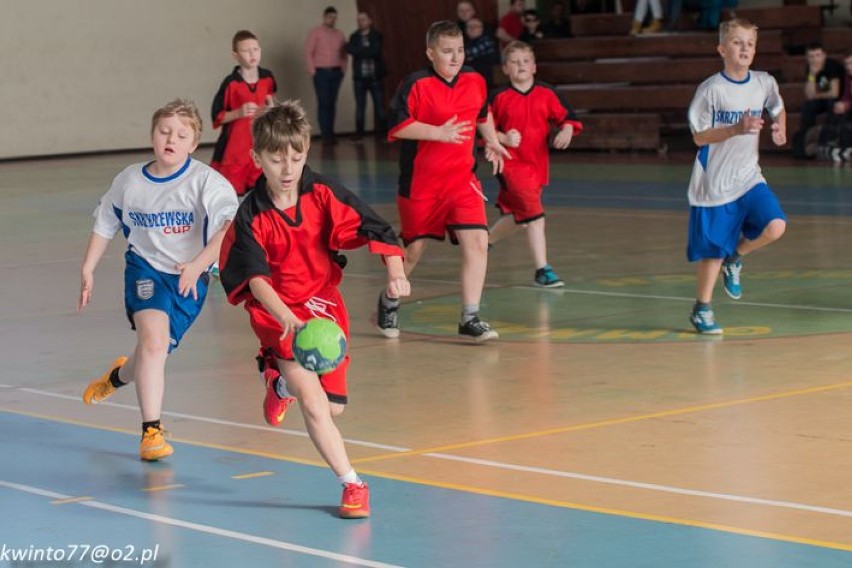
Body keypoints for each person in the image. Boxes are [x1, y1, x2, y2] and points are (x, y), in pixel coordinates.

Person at [219, 101, 410, 519]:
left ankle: (279, 386)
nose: (288, 168)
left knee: (334, 406)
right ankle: (353, 484)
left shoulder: (322, 192)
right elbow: (254, 278)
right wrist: (286, 317)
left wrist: (395, 272)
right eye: (276, 158)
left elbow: (375, 226)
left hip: (324, 308)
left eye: (296, 156)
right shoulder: (251, 214)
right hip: (277, 314)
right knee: (314, 401)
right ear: (257, 158)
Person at [78, 99, 238, 460]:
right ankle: (151, 432)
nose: (171, 139)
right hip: (145, 269)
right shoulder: (130, 180)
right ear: (152, 135)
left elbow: (229, 228)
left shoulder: (206, 182)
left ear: (194, 144)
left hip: (189, 276)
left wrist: (199, 264)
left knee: (153, 351)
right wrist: (88, 268)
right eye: (164, 131)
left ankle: (118, 376)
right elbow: (106, 222)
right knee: (153, 343)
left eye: (182, 135)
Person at [376, 20, 509, 342]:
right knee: (413, 252)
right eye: (447, 51)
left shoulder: (475, 80)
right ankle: (389, 300)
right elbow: (397, 126)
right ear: (430, 52)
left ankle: (470, 316)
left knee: (478, 242)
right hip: (421, 185)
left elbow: (482, 114)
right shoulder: (416, 84)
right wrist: (438, 133)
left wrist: (491, 140)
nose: (455, 57)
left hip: (462, 181)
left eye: (460, 50)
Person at [685, 18, 787, 334]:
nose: (745, 48)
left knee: (776, 226)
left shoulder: (764, 83)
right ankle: (702, 309)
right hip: (713, 183)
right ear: (722, 49)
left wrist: (781, 124)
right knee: (712, 251)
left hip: (748, 176)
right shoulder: (710, 90)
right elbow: (699, 137)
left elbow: (777, 106)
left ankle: (737, 256)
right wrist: (735, 129)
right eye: (737, 42)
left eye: (750, 44)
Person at [488, 41, 583, 288]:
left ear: (534, 67)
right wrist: (503, 138)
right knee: (535, 216)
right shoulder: (498, 97)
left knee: (522, 217)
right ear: (505, 69)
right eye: (515, 61)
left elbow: (568, 118)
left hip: (537, 165)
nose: (521, 65)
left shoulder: (547, 93)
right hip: (510, 165)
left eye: (526, 61)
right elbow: (484, 129)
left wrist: (568, 130)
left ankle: (483, 241)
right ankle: (542, 270)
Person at [210, 30, 277, 197]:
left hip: (261, 143)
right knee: (231, 194)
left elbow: (270, 98)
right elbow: (217, 115)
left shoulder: (267, 77)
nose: (252, 54)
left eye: (255, 49)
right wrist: (238, 113)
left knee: (262, 192)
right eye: (246, 51)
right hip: (235, 150)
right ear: (235, 55)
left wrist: (270, 108)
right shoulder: (230, 83)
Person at [792, 43, 845, 159]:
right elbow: (809, 95)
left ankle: (830, 141)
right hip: (823, 99)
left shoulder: (831, 65)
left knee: (832, 102)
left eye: (818, 55)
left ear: (824, 55)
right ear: (807, 58)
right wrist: (812, 74)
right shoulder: (810, 68)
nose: (815, 59)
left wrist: (817, 95)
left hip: (840, 99)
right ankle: (805, 141)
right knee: (807, 106)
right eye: (811, 56)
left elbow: (834, 93)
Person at [305, 6, 349, 145]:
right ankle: (325, 136)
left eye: (335, 17)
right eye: (330, 17)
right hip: (321, 72)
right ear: (325, 17)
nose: (333, 20)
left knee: (332, 103)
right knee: (324, 103)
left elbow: (344, 54)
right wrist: (313, 71)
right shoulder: (315, 33)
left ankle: (331, 133)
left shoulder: (340, 34)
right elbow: (308, 52)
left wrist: (343, 71)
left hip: (336, 72)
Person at [347, 11, 387, 140]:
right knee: (360, 108)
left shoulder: (377, 35)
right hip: (359, 78)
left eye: (363, 19)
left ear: (370, 21)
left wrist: (359, 51)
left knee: (380, 108)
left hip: (375, 78)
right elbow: (349, 49)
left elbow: (375, 52)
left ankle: (385, 135)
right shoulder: (353, 36)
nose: (360, 22)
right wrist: (366, 51)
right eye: (359, 20)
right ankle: (359, 135)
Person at [464, 17, 500, 89]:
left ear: (481, 29)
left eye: (475, 26)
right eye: (470, 27)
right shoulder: (464, 41)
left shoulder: (487, 41)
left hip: (486, 80)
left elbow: (466, 54)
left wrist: (469, 58)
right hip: (469, 79)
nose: (472, 29)